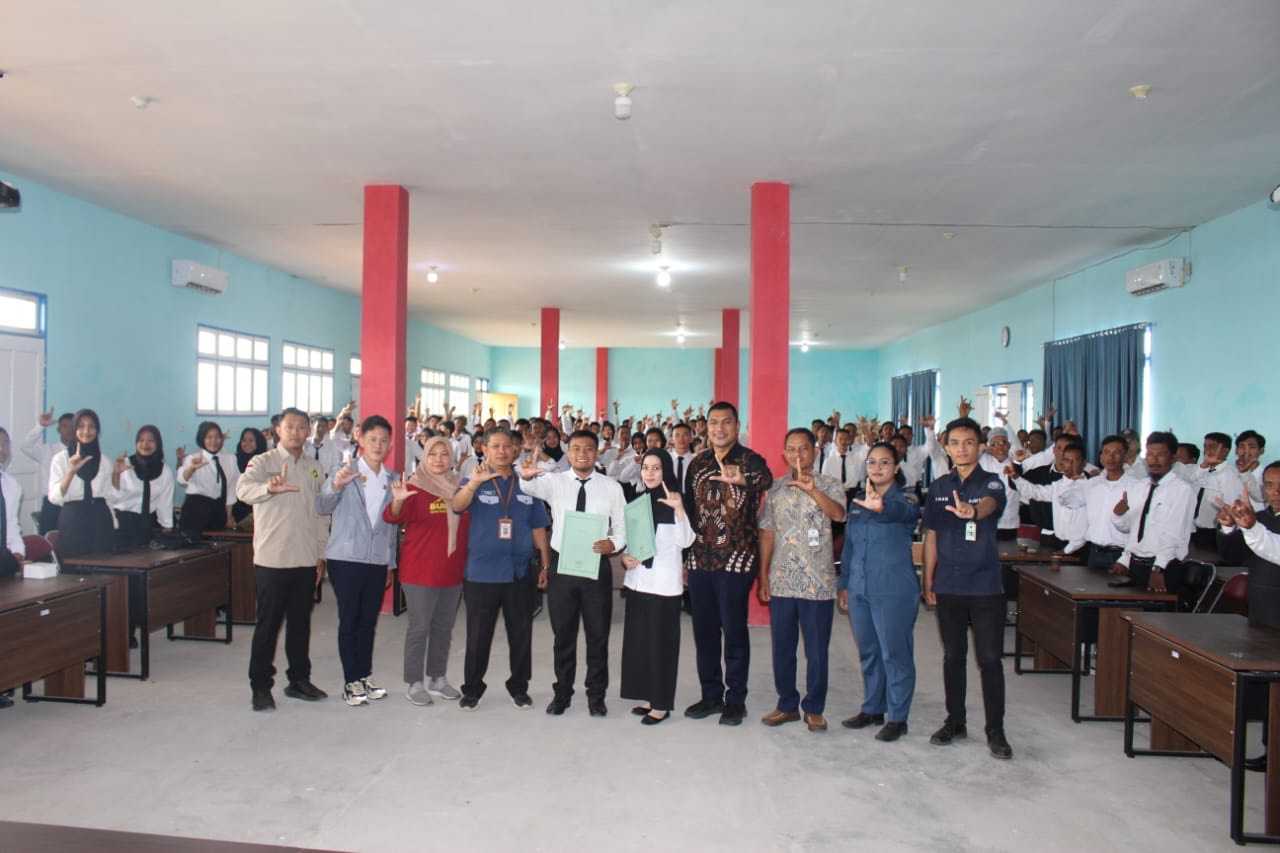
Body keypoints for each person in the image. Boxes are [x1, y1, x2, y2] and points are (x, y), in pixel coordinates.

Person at [922, 416, 1013, 759]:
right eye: (955, 443)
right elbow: (932, 535)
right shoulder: (938, 487)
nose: (962, 448)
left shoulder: (991, 483)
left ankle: (996, 730)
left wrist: (972, 511)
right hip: (949, 585)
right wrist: (927, 579)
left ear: (981, 446)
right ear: (946, 447)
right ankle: (955, 722)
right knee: (952, 657)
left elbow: (989, 506)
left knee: (989, 659)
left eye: (969, 442)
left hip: (986, 586)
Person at [519, 430, 626, 717]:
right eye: (576, 448)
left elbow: (621, 528)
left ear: (597, 452)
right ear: (568, 453)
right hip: (562, 566)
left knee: (597, 635)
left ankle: (596, 695)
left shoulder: (611, 487)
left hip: (595, 567)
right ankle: (563, 693)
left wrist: (613, 544)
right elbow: (527, 487)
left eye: (589, 449)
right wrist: (527, 475)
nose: (582, 454)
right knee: (563, 635)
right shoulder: (554, 481)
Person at [683, 401, 774, 726]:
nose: (719, 429)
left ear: (737, 426)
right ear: (705, 428)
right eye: (713, 423)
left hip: (736, 558)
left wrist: (742, 479)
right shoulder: (697, 464)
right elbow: (690, 512)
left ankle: (736, 700)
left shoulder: (750, 460)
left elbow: (766, 480)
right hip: (700, 557)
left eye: (726, 422)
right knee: (703, 631)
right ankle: (711, 696)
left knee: (734, 630)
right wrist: (686, 555)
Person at [236, 407, 330, 712]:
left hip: (304, 559)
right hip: (273, 559)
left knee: (301, 625)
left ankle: (299, 680)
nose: (296, 432)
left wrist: (320, 554)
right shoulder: (264, 462)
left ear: (309, 432)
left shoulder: (314, 467)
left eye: (302, 427)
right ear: (278, 429)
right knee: (268, 626)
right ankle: (260, 686)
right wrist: (268, 488)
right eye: (290, 427)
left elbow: (319, 515)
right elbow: (242, 490)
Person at [450, 427, 550, 711]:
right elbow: (457, 506)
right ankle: (472, 689)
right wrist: (472, 484)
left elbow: (538, 526)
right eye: (496, 446)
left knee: (521, 633)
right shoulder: (475, 479)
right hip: (482, 573)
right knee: (478, 635)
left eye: (508, 446)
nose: (502, 451)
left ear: (516, 450)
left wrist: (544, 563)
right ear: (484, 448)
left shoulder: (526, 481)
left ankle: (519, 687)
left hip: (519, 572)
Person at [758, 428, 846, 732]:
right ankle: (786, 705)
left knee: (817, 649)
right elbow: (767, 532)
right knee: (782, 647)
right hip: (782, 580)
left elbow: (838, 515)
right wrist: (764, 575)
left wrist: (813, 491)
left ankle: (814, 708)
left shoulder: (830, 484)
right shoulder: (775, 489)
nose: (798, 454)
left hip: (818, 583)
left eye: (804, 448)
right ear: (784, 454)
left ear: (815, 451)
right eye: (791, 449)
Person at [838, 442, 920, 742]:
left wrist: (882, 506)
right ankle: (873, 707)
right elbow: (849, 546)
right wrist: (844, 583)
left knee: (895, 653)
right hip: (859, 587)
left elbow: (903, 514)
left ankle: (898, 717)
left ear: (896, 467)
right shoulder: (858, 500)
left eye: (885, 463)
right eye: (872, 462)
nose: (877, 468)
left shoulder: (907, 498)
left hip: (893, 588)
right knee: (869, 652)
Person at [316, 415, 399, 707]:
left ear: (390, 444)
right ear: (360, 439)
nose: (378, 445)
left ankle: (364, 675)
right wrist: (336, 486)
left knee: (368, 622)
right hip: (346, 557)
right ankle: (351, 681)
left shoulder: (392, 479)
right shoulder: (344, 470)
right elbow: (322, 505)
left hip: (376, 559)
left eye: (384, 440)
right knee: (349, 619)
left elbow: (389, 527)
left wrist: (389, 562)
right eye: (373, 439)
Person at [385, 435, 469, 706]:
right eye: (433, 454)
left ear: (452, 458)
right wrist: (397, 501)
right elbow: (393, 516)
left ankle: (437, 678)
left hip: (452, 570)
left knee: (444, 627)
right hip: (420, 570)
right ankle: (414, 682)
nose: (438, 460)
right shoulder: (414, 486)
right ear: (424, 456)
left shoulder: (460, 487)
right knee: (419, 627)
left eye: (444, 454)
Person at [620, 450, 694, 725]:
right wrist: (626, 558)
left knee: (661, 646)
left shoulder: (677, 500)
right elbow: (633, 541)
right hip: (639, 582)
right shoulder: (638, 501)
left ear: (667, 472)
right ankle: (650, 697)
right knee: (641, 644)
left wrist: (679, 510)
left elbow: (687, 541)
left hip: (663, 586)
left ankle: (662, 704)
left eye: (656, 468)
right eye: (646, 468)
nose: (650, 473)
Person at [1108, 431, 1196, 595]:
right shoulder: (1139, 487)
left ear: (1173, 457)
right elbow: (1131, 529)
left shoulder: (1182, 490)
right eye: (1150, 454)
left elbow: (1174, 534)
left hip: (1163, 567)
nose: (1154, 460)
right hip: (1136, 564)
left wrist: (1159, 568)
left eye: (1161, 455)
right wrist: (1118, 515)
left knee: (1155, 618)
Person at [48, 409, 116, 557]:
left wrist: (114, 525)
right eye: (80, 426)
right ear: (74, 429)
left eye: (91, 426)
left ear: (97, 430)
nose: (86, 431)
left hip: (100, 521)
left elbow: (109, 497)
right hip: (73, 520)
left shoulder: (104, 461)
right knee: (74, 573)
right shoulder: (61, 459)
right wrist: (71, 471)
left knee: (103, 572)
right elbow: (55, 498)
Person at [1065, 435, 1136, 570]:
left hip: (1120, 555)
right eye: (1107, 452)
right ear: (1101, 456)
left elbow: (1137, 528)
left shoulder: (1135, 486)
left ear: (1125, 456)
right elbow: (1068, 501)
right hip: (1094, 552)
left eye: (1117, 453)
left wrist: (1125, 559)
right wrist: (1072, 480)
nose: (1111, 457)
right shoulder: (1092, 484)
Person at [1174, 431, 1244, 551]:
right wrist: (1204, 466)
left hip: (1211, 532)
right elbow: (1188, 479)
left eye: (1212, 447)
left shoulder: (1230, 475)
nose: (1207, 450)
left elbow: (1231, 505)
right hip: (1191, 529)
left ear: (1225, 451)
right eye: (1205, 446)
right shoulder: (1200, 470)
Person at [110, 425, 174, 548]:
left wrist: (167, 528)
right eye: (141, 440)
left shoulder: (165, 470)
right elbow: (113, 498)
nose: (145, 444)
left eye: (151, 440)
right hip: (122, 523)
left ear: (158, 443)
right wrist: (116, 474)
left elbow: (164, 503)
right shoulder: (125, 464)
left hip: (148, 525)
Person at [177, 421, 239, 536]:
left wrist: (229, 516)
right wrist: (192, 468)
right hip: (195, 511)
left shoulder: (230, 459)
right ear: (202, 439)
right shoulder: (193, 458)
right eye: (209, 437)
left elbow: (231, 489)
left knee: (218, 550)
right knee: (194, 550)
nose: (213, 441)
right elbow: (181, 479)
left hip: (218, 511)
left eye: (217, 437)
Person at [22, 409, 74, 534]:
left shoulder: (84, 452)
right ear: (58, 429)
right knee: (48, 543)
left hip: (75, 505)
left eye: (73, 426)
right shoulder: (48, 451)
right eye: (65, 426)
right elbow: (25, 446)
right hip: (52, 505)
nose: (69, 430)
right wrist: (40, 426)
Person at [0, 427, 25, 578]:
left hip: (4, 558)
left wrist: (18, 551)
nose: (1, 449)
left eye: (5, 443)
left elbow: (11, 523)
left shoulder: (12, 485)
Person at [232, 427, 269, 525]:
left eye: (251, 440)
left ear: (259, 442)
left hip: (259, 509)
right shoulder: (234, 460)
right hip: (237, 508)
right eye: (244, 440)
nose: (247, 443)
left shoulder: (266, 462)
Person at [305, 413, 341, 477]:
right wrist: (315, 476)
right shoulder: (306, 443)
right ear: (313, 426)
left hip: (326, 479)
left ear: (327, 428)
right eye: (318, 426)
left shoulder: (332, 445)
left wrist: (330, 478)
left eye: (324, 426)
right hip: (308, 478)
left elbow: (336, 464)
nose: (321, 429)